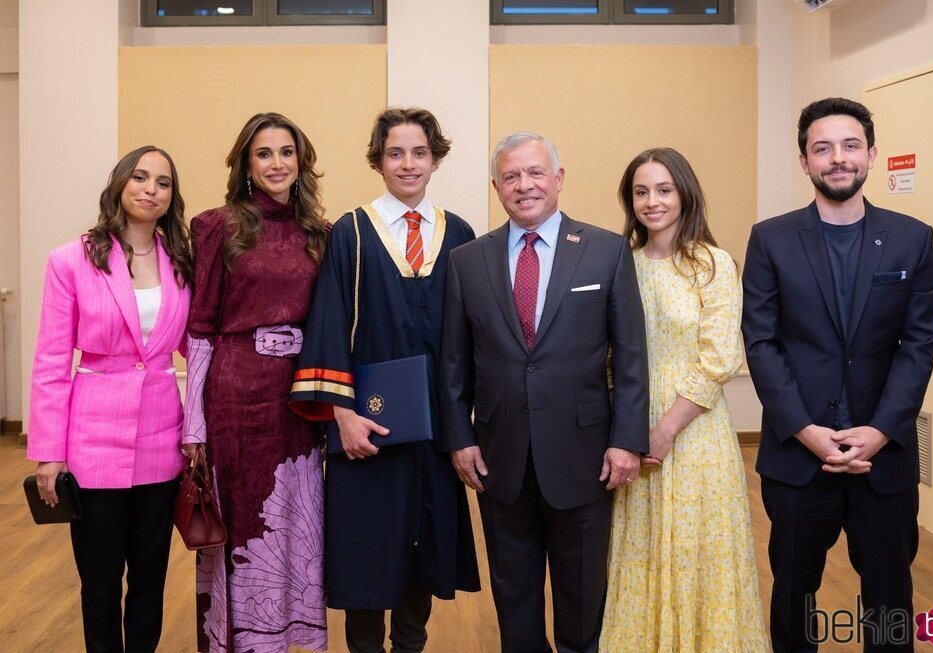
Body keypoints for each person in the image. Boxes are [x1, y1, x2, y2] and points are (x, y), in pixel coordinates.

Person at [742, 97, 933, 652]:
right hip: (800, 457)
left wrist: (881, 428)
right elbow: (761, 343)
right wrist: (804, 430)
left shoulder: (912, 238)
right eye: (822, 148)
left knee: (888, 602)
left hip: (884, 457)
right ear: (804, 161)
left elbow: (920, 342)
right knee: (794, 600)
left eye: (850, 146)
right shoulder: (771, 238)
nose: (838, 158)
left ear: (871, 155)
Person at [440, 132, 649, 653]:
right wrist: (459, 438)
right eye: (511, 177)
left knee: (582, 595)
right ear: (496, 186)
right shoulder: (468, 261)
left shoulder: (605, 250)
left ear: (558, 178)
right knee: (514, 594)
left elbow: (630, 356)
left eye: (535, 173)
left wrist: (627, 440)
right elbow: (453, 361)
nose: (524, 185)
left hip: (584, 454)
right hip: (498, 454)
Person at [290, 107, 480, 653]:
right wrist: (342, 418)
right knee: (366, 552)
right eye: (395, 153)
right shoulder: (350, 232)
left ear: (435, 158)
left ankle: (411, 647)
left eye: (419, 152)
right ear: (378, 161)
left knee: (423, 549)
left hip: (435, 429)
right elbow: (327, 326)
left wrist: (464, 428)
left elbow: (472, 339)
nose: (408, 164)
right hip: (366, 430)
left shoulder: (460, 233)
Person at [598, 147, 769, 651]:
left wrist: (666, 429)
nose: (653, 201)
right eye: (641, 191)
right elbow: (605, 354)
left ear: (685, 193)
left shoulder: (712, 264)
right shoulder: (620, 264)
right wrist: (625, 431)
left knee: (699, 550)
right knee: (640, 548)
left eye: (664, 189)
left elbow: (719, 358)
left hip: (694, 432)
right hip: (630, 425)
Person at [28, 145, 193, 652]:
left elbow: (202, 351)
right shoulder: (70, 260)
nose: (151, 189)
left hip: (161, 441)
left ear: (172, 197)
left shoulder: (183, 262)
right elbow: (52, 362)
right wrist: (49, 453)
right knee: (100, 585)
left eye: (163, 183)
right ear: (120, 184)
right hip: (92, 439)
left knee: (149, 580)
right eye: (141, 178)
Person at [182, 112, 329, 652]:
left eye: (286, 152)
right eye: (263, 153)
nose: (276, 163)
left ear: (301, 160)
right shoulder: (217, 225)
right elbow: (199, 328)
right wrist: (193, 423)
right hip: (234, 395)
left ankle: (295, 635)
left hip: (299, 400)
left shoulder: (320, 233)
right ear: (246, 163)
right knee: (244, 518)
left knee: (298, 517)